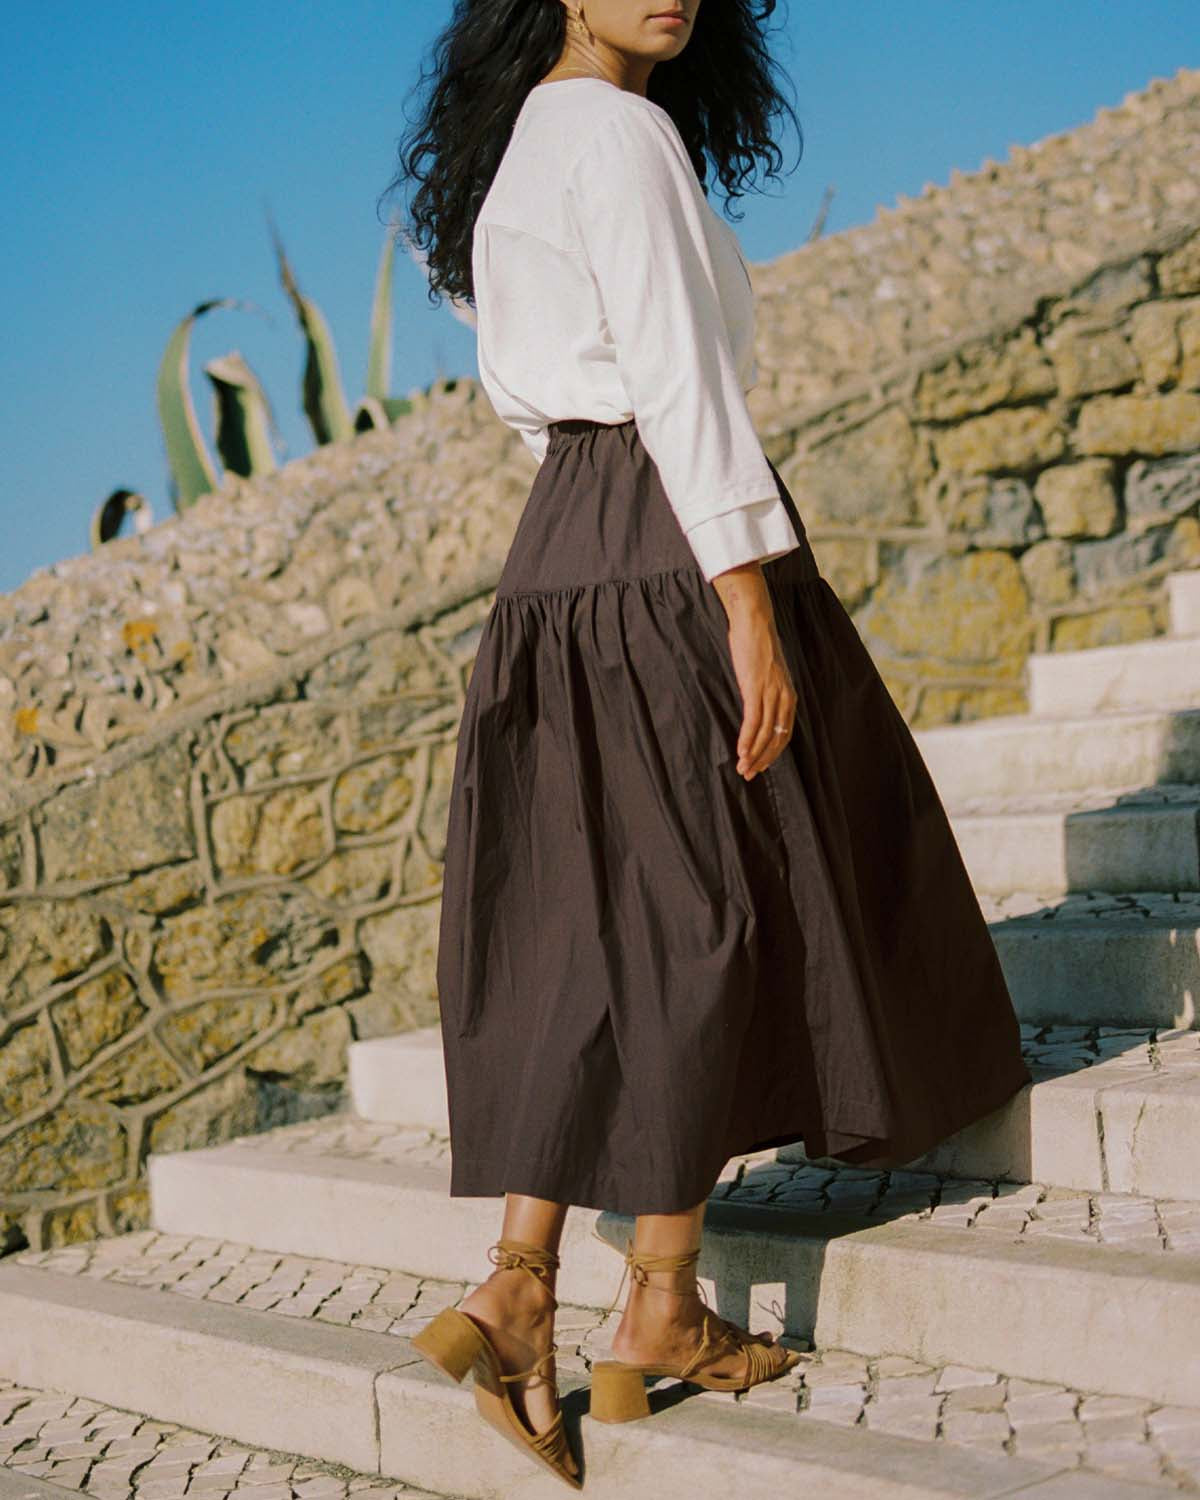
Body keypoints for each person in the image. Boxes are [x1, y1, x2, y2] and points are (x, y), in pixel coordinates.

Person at [383, 1, 1033, 1488]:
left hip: (559, 548)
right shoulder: (619, 130)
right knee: (717, 913)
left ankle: (525, 1283)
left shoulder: (508, 156)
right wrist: (742, 597)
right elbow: (679, 372)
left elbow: (527, 393)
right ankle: (654, 1300)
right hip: (673, 539)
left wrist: (606, 517)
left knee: (602, 923)